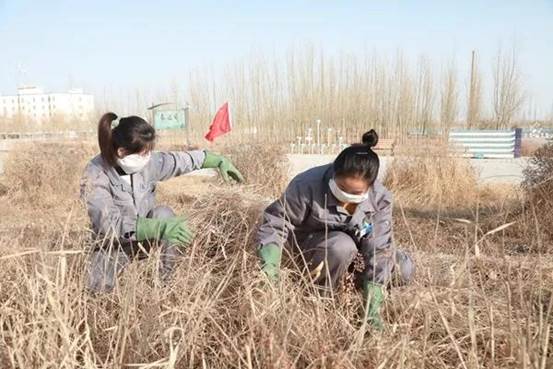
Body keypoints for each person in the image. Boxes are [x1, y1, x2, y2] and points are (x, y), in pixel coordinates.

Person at [256, 129, 414, 329]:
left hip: (357, 258)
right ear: (333, 174)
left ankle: (363, 293)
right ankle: (322, 299)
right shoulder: (307, 185)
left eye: (355, 193)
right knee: (341, 245)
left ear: (370, 186)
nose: (345, 197)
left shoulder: (380, 200)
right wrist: (270, 266)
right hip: (317, 254)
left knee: (403, 266)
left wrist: (372, 310)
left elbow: (379, 248)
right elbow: (277, 221)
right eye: (341, 188)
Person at [81, 112, 243, 292]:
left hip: (147, 241)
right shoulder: (95, 173)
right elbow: (107, 223)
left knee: (164, 214)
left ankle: (166, 282)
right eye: (144, 154)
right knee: (98, 288)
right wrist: (158, 228)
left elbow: (179, 161)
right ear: (122, 152)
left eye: (149, 152)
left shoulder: (147, 162)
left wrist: (215, 159)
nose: (148, 158)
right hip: (114, 245)